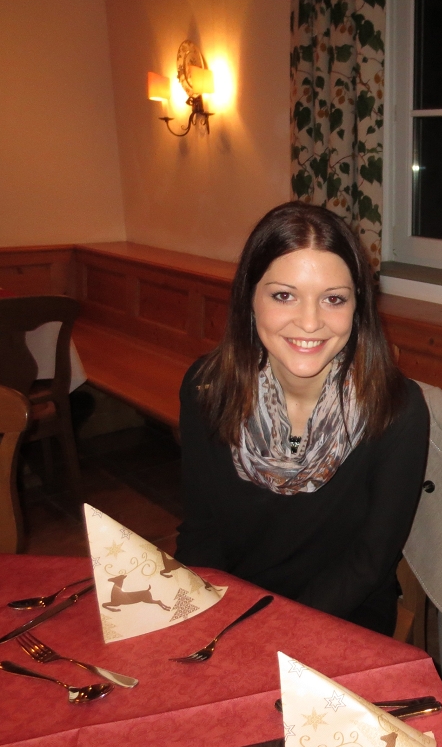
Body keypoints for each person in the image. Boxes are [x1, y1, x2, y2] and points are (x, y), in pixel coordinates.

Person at [174, 202, 429, 636]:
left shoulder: (396, 409)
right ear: (249, 298)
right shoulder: (208, 389)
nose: (310, 323)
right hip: (233, 608)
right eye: (283, 295)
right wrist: (209, 617)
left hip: (342, 614)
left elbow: (369, 561)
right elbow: (202, 530)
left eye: (333, 299)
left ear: (357, 306)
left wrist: (275, 630)